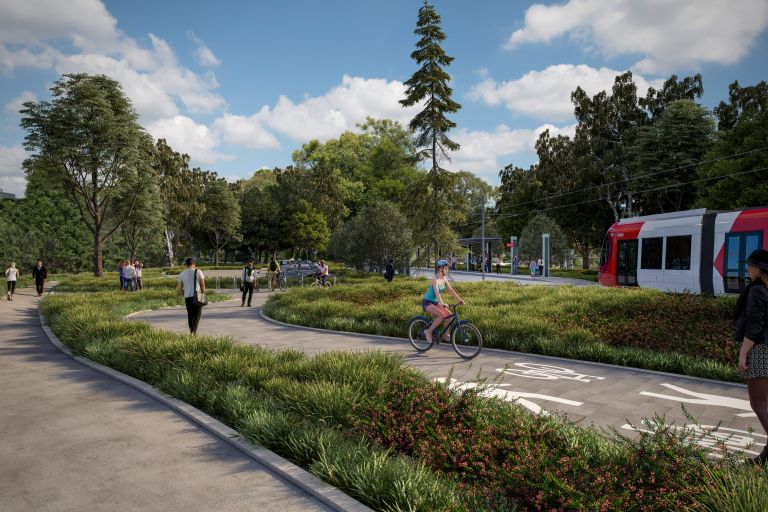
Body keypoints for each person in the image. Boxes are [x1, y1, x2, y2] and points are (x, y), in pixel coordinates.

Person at [735, 249, 768, 464]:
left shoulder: (757, 290)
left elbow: (755, 324)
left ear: (759, 268)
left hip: (760, 351)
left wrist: (743, 353)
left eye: (750, 265)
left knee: (759, 403)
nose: (747, 268)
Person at [422, 259, 465, 345]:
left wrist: (459, 300)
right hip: (427, 302)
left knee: (449, 315)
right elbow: (437, 292)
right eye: (445, 268)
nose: (447, 270)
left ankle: (445, 335)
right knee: (441, 316)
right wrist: (442, 304)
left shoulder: (444, 278)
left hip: (435, 302)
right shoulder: (435, 279)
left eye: (447, 268)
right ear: (440, 269)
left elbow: (451, 290)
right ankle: (428, 332)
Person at [177, 257, 205, 334]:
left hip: (187, 297)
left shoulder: (181, 274)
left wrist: (184, 294)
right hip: (196, 296)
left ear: (186, 265)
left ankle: (191, 330)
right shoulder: (198, 271)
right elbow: (202, 284)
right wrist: (202, 293)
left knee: (190, 314)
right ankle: (194, 331)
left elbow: (179, 288)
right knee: (197, 314)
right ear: (193, 264)